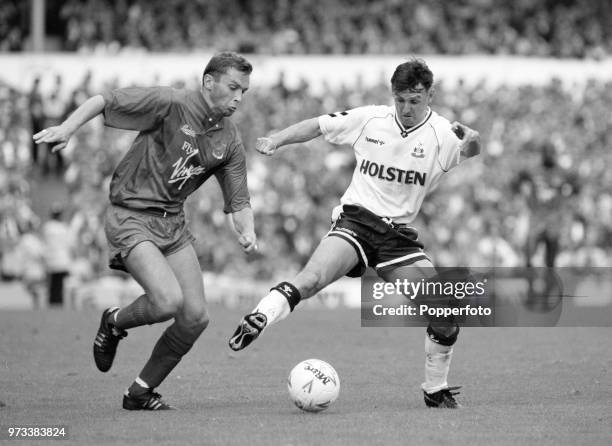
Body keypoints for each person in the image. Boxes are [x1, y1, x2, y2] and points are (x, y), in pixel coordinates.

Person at [229, 58, 481, 409]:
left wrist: (474, 141)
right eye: (401, 100)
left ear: (430, 96)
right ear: (392, 96)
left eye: (415, 100)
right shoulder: (371, 119)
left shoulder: (441, 134)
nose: (407, 108)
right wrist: (277, 139)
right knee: (312, 278)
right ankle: (260, 317)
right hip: (357, 223)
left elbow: (468, 150)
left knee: (445, 313)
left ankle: (434, 389)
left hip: (397, 239)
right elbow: (318, 125)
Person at [34, 52, 257, 410]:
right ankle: (114, 320)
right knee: (168, 301)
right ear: (208, 82)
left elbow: (240, 199)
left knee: (195, 317)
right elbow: (103, 100)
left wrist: (247, 232)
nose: (238, 98)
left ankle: (139, 392)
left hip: (172, 224)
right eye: (233, 88)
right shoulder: (170, 103)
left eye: (243, 91)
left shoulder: (228, 140)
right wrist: (67, 128)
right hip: (131, 215)